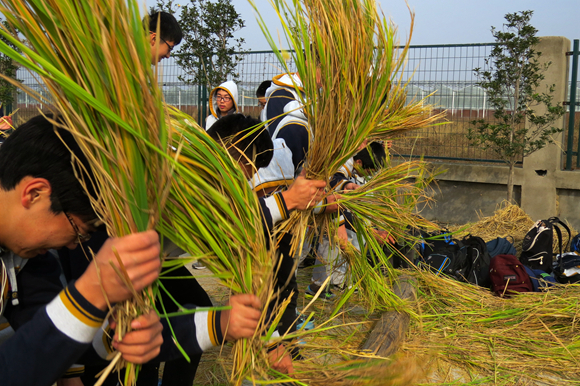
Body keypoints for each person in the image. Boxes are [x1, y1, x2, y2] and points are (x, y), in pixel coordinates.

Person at [0, 114, 163, 386]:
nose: (73, 245)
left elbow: (46, 333)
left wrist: (120, 337)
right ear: (35, 194)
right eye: (78, 231)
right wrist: (91, 292)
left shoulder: (27, 258)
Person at [207, 114, 329, 374]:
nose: (247, 179)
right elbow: (238, 228)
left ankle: (282, 345)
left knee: (285, 288)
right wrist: (270, 342)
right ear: (241, 155)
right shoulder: (198, 186)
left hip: (275, 243)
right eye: (249, 170)